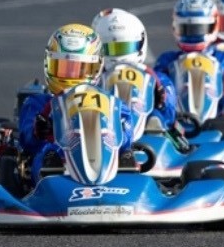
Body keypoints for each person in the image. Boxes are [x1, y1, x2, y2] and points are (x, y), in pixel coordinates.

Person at [16, 24, 136, 182]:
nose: (70, 76)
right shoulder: (39, 103)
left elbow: (128, 127)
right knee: (48, 151)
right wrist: (38, 131)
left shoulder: (108, 101)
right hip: (59, 159)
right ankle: (51, 170)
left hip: (102, 153)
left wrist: (120, 130)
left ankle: (124, 170)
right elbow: (26, 141)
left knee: (121, 151)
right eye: (63, 68)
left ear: (97, 67)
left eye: (79, 68)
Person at [153, 0, 224, 118]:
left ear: (214, 26)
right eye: (187, 29)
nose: (193, 35)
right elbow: (158, 91)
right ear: (175, 27)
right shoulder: (167, 61)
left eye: (199, 29)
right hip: (178, 121)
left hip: (217, 119)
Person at [91, 7, 177, 128]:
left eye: (125, 47)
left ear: (140, 43)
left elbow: (170, 115)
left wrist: (161, 98)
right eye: (110, 49)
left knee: (158, 115)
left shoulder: (156, 79)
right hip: (107, 134)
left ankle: (154, 124)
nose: (119, 56)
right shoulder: (95, 80)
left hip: (148, 135)